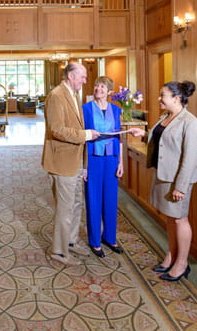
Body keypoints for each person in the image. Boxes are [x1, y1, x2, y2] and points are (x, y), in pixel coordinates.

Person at [129, 81, 197, 282]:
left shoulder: (191, 123)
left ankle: (182, 263)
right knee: (170, 218)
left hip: (177, 180)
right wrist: (143, 134)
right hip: (163, 175)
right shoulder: (166, 117)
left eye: (163, 95)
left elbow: (190, 158)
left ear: (177, 98)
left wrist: (180, 186)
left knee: (180, 219)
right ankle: (171, 255)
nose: (159, 99)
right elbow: (163, 143)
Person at [42, 62, 100, 265]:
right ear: (70, 76)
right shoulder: (56, 96)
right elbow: (56, 129)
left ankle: (71, 242)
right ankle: (58, 251)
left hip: (75, 161)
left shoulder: (73, 95)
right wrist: (85, 135)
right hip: (61, 161)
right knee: (65, 209)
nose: (85, 80)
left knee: (76, 205)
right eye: (82, 77)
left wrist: (84, 165)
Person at [82, 76, 124, 258]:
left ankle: (109, 237)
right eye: (96, 85)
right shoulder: (85, 109)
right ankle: (95, 241)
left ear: (109, 92)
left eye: (102, 86)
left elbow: (119, 137)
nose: (98, 89)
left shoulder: (116, 110)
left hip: (112, 158)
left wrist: (121, 161)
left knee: (110, 199)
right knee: (93, 198)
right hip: (92, 158)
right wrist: (83, 166)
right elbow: (82, 139)